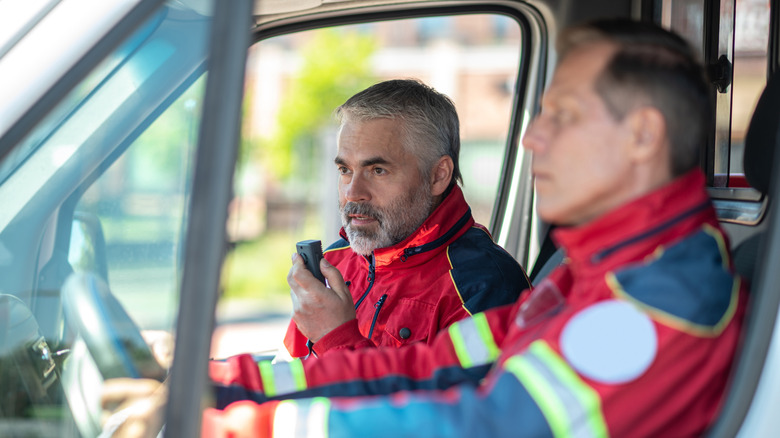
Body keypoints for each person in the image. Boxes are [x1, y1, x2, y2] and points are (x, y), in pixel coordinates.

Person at [105, 18, 748, 437]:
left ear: (642, 136)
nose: (531, 137)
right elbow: (426, 368)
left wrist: (251, 427)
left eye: (565, 116)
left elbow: (493, 423)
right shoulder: (590, 279)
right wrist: (216, 380)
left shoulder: (659, 298)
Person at [283, 79, 530, 358]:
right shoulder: (335, 263)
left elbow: (455, 401)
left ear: (438, 175)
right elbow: (290, 373)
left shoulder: (485, 286)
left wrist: (337, 339)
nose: (353, 193)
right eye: (344, 169)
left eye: (378, 170)